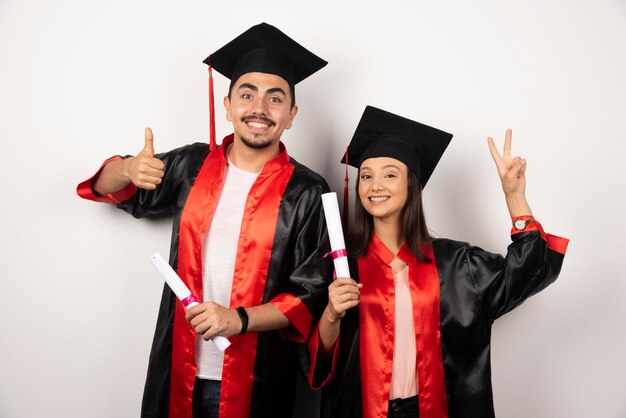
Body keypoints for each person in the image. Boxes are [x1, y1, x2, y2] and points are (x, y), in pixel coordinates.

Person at [77, 23, 332, 418]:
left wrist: (238, 319)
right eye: (247, 94)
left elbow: (309, 294)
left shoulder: (307, 190)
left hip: (258, 381)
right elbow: (111, 189)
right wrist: (128, 167)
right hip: (178, 370)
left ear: (292, 115)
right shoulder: (191, 164)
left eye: (275, 98)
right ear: (228, 106)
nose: (259, 109)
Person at [306, 106, 569, 418]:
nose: (375, 185)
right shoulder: (339, 267)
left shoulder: (457, 264)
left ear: (411, 185)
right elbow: (318, 360)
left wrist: (514, 197)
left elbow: (526, 275)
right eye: (366, 176)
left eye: (390, 174)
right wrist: (332, 314)